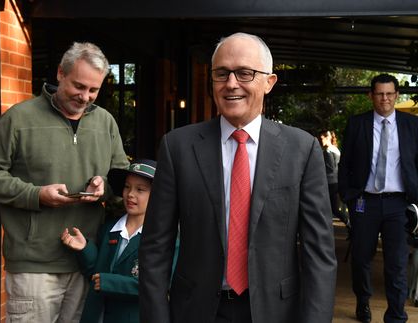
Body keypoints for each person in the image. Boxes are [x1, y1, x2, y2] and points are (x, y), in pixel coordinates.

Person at [139, 32, 337, 323]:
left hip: (276, 312)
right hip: (196, 310)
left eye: (244, 73)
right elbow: (156, 247)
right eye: (221, 73)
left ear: (269, 82)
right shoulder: (177, 147)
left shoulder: (302, 149)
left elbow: (319, 254)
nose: (231, 84)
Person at [0, 42, 129, 322]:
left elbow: (123, 179)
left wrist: (104, 187)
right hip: (34, 265)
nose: (85, 97)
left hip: (88, 260)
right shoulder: (18, 119)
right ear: (60, 74)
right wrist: (36, 195)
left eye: (93, 90)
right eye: (78, 86)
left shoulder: (106, 122)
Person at [338, 73, 418, 323]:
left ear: (397, 95)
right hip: (364, 201)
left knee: (397, 263)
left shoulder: (411, 124)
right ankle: (363, 302)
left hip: (399, 204)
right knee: (361, 258)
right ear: (371, 95)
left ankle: (397, 316)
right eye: (379, 93)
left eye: (389, 93)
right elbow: (345, 163)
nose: (385, 98)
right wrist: (347, 195)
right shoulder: (357, 123)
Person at [61, 159, 156, 323]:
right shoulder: (110, 228)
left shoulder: (163, 238)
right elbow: (95, 273)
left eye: (140, 189)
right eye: (127, 187)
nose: (130, 194)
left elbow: (159, 287)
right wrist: (84, 248)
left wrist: (110, 283)